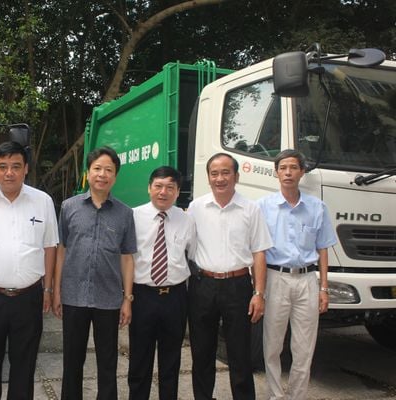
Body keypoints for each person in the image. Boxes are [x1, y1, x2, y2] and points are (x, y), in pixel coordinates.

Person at [0, 140, 58, 400]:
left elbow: (50, 246)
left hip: (29, 297)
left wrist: (48, 289)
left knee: (24, 366)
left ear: (26, 169)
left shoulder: (42, 201)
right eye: (3, 166)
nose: (9, 173)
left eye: (16, 166)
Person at [53, 146, 137, 400]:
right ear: (88, 173)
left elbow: (127, 257)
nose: (102, 174)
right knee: (72, 360)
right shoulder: (69, 207)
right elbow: (61, 250)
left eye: (108, 170)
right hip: (74, 296)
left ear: (115, 176)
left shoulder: (125, 213)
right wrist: (56, 291)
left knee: (108, 362)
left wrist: (127, 299)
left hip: (108, 299)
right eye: (97, 168)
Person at [186, 152, 272, 400]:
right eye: (214, 173)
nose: (220, 178)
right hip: (203, 285)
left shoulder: (251, 209)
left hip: (238, 286)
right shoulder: (196, 208)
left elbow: (259, 253)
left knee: (240, 353)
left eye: (226, 172)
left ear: (236, 176)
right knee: (202, 352)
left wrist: (259, 293)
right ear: (208, 177)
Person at [257, 149, 337, 400]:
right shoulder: (263, 207)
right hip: (275, 279)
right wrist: (258, 289)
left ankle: (297, 395)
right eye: (283, 168)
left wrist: (324, 288)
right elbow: (257, 251)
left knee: (304, 347)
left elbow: (323, 249)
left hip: (307, 280)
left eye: (293, 167)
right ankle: (275, 395)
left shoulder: (317, 207)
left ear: (302, 172)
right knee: (273, 344)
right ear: (276, 172)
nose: (288, 173)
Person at [129, 166, 196, 400]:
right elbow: (125, 258)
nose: (163, 192)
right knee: (139, 359)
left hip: (175, 297)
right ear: (149, 188)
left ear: (177, 191)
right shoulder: (133, 216)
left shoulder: (186, 220)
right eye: (158, 186)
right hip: (142, 296)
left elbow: (192, 254)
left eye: (170, 187)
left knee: (171, 360)